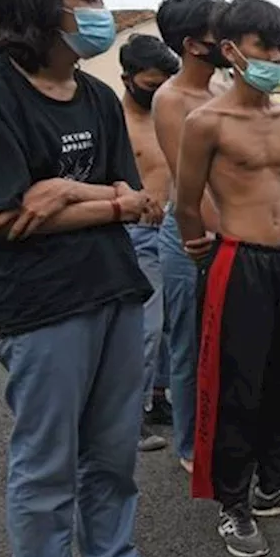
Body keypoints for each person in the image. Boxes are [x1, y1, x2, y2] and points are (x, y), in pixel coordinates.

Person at [0, 0, 189, 557]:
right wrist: (103, 198)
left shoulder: (97, 96)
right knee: (44, 458)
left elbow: (141, 204)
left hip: (117, 290)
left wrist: (64, 192)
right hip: (44, 306)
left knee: (113, 445)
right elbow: (2, 216)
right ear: (41, 5)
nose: (98, 12)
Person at [175, 0, 280, 557]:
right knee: (235, 386)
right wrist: (199, 248)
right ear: (230, 51)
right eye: (263, 46)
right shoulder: (206, 122)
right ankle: (233, 504)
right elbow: (186, 201)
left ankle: (274, 484)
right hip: (235, 260)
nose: (274, 55)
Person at [153, 0, 228, 473]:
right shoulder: (171, 99)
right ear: (192, 44)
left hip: (232, 235)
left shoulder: (222, 91)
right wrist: (211, 238)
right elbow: (190, 186)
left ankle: (222, 431)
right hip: (192, 236)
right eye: (218, 29)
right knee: (189, 345)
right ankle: (190, 445)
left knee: (227, 344)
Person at [118, 34, 179, 453]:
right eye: (151, 83)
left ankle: (158, 397)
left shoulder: (168, 115)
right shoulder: (114, 119)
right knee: (145, 328)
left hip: (176, 230)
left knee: (173, 329)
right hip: (136, 233)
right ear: (128, 78)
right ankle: (128, 415)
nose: (158, 92)